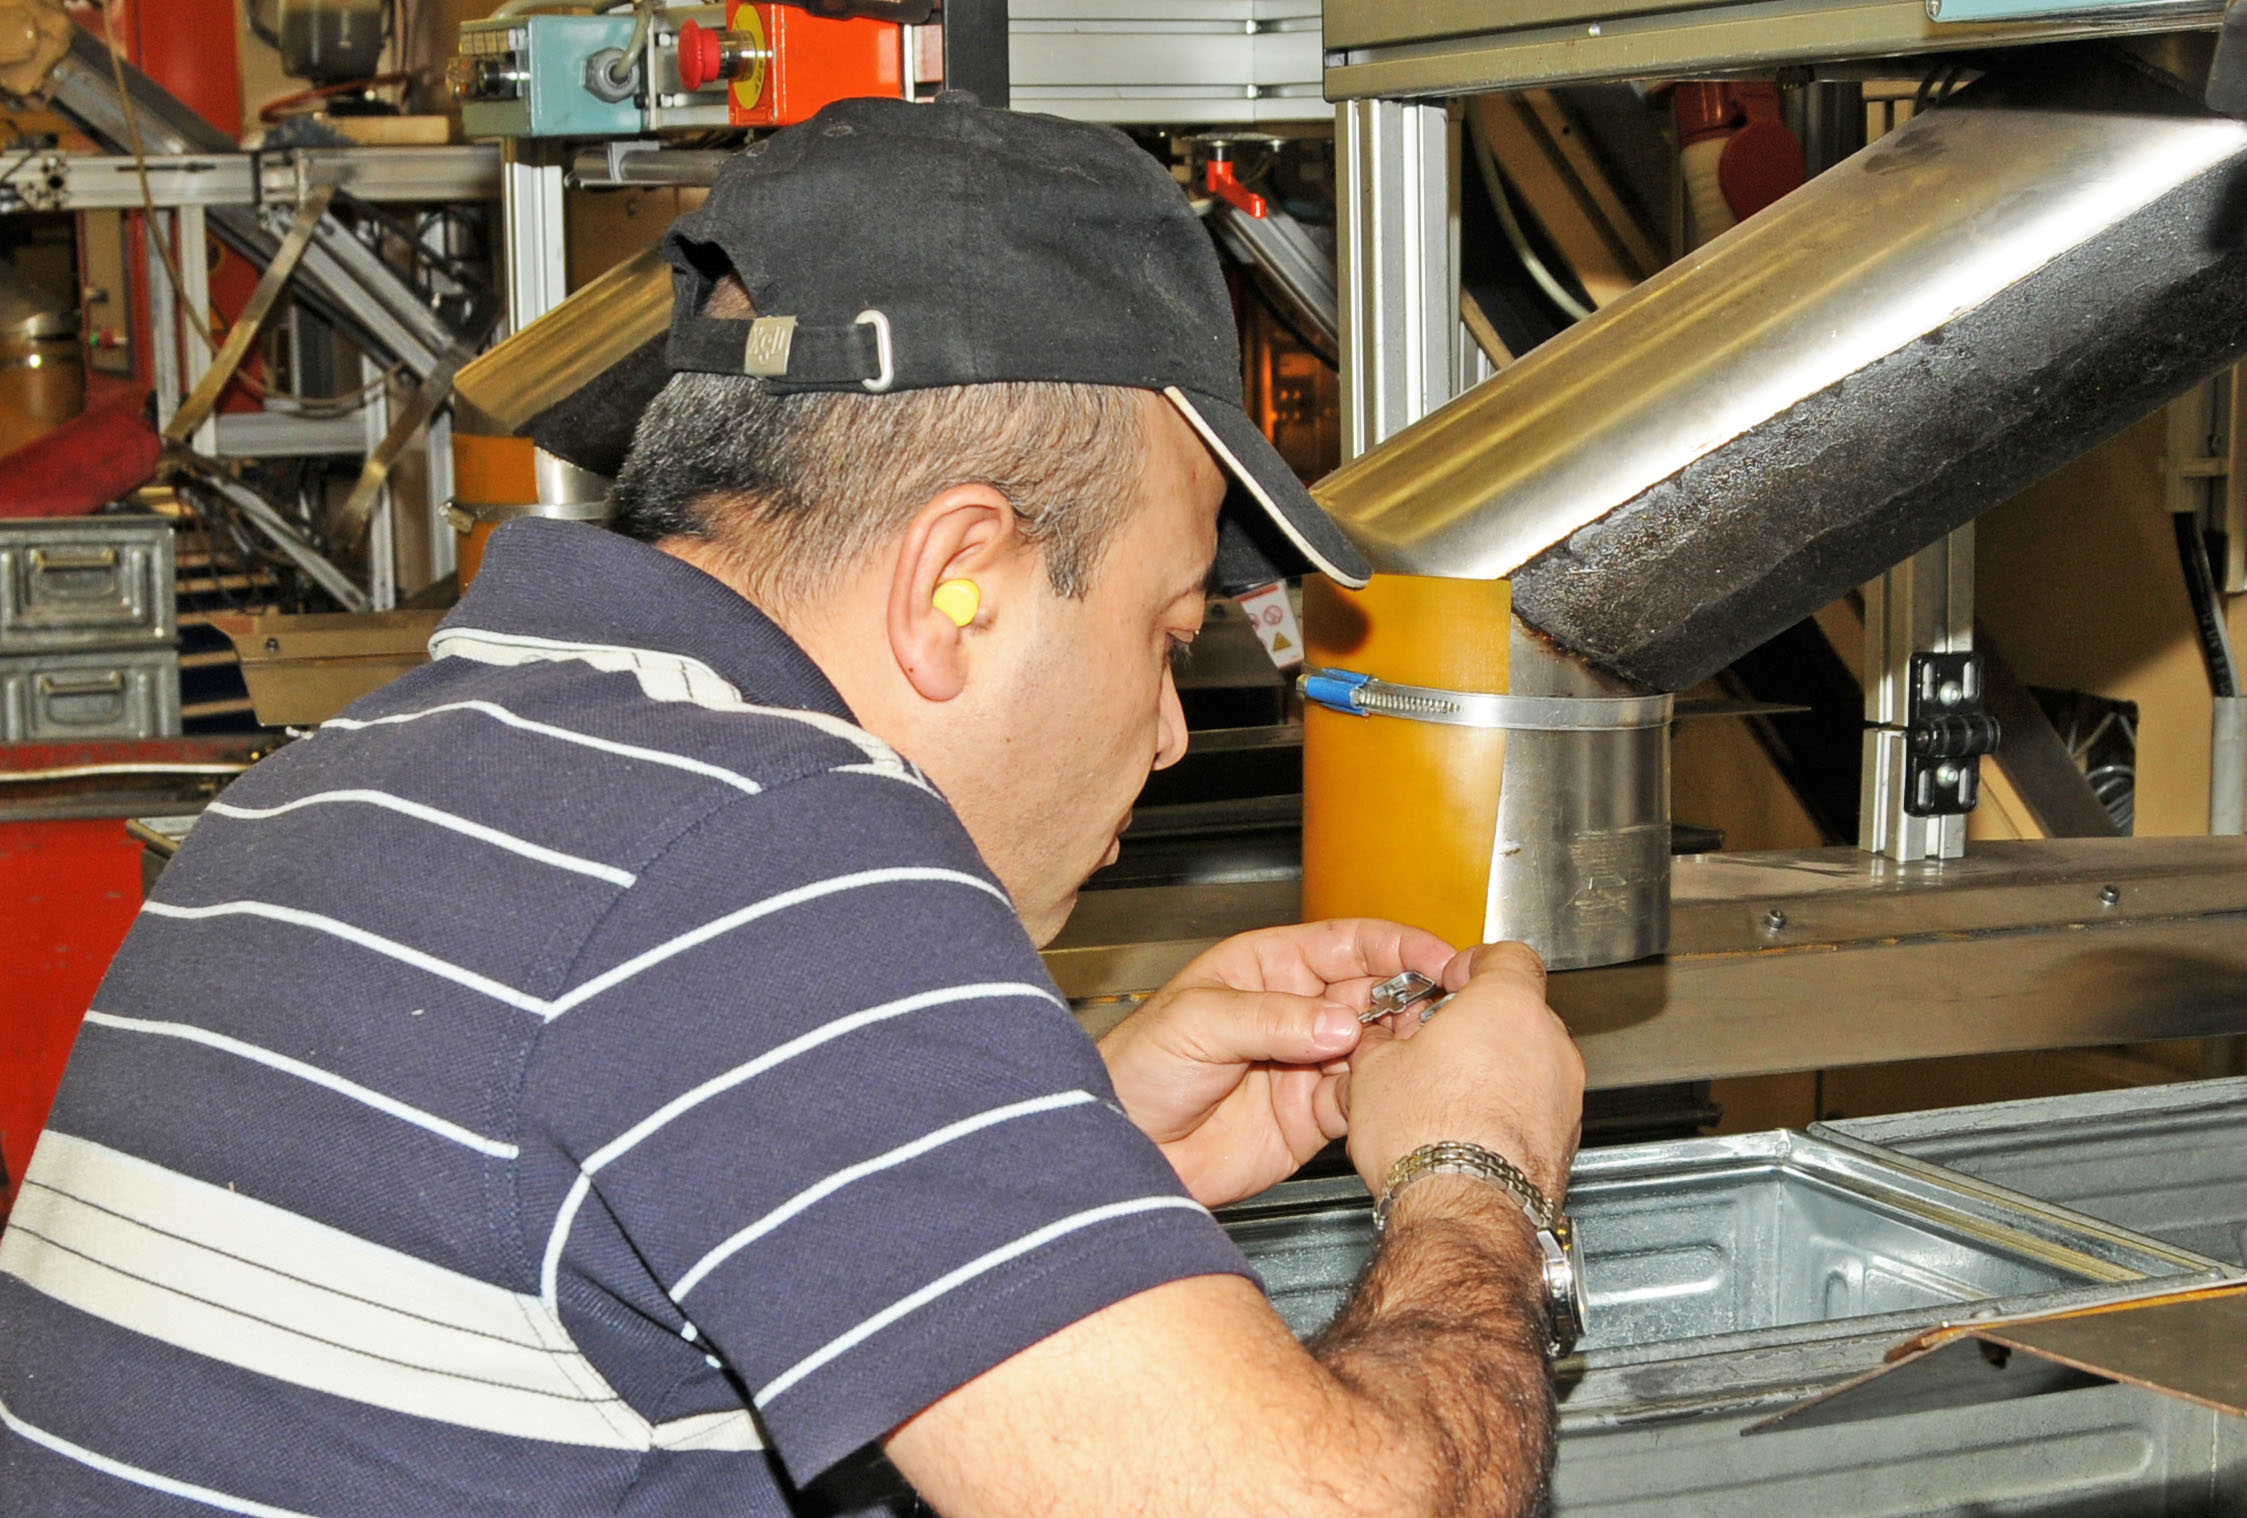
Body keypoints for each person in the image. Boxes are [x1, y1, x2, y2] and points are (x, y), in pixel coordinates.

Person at [0, 96, 1584, 1516]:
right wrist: (1478, 1173)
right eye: (1168, 634)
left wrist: (1085, 1158)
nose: (1169, 734)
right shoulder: (768, 852)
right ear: (960, 582)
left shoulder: (332, 787)